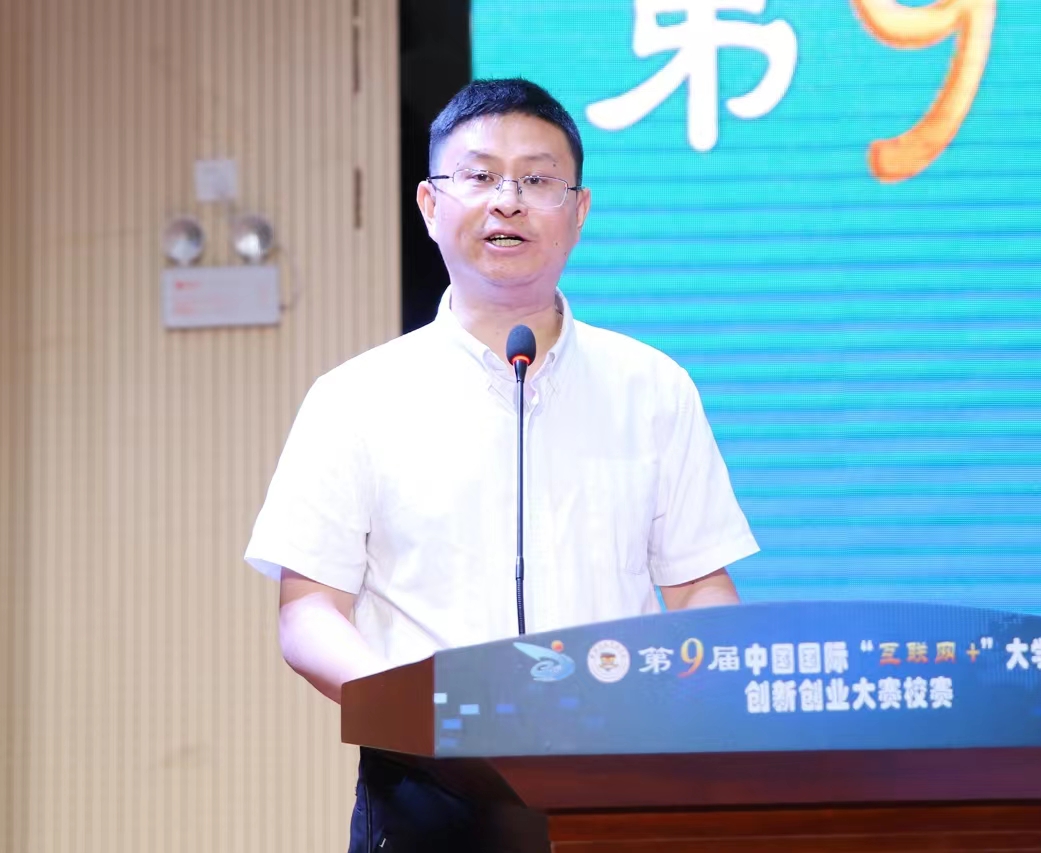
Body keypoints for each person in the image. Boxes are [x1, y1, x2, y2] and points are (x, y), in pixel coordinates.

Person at [244, 78, 759, 852]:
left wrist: (699, 703)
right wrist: (409, 708)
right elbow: (308, 609)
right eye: (480, 175)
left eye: (538, 179)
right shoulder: (354, 396)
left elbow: (698, 587)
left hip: (621, 772)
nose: (508, 201)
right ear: (429, 205)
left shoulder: (653, 387)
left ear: (579, 211)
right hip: (427, 785)